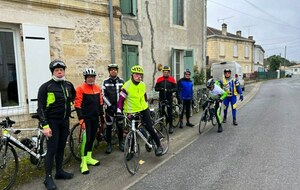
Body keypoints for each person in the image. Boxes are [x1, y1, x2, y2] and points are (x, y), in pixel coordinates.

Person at [37, 60, 76, 190]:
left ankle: (59, 171)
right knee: (52, 150)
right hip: (52, 122)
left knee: (61, 148)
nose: (59, 72)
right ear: (52, 72)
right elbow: (41, 108)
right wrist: (45, 126)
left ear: (64, 71)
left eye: (62, 70)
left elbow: (73, 97)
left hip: (64, 121)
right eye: (56, 70)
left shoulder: (69, 85)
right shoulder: (46, 87)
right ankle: (47, 178)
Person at [117, 65, 163, 156]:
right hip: (132, 112)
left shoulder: (142, 84)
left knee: (149, 128)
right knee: (132, 131)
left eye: (140, 75)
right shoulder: (126, 86)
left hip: (143, 110)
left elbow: (144, 98)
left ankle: (159, 146)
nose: (139, 77)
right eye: (136, 75)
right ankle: (131, 152)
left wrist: (148, 108)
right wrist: (119, 112)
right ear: (132, 75)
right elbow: (120, 101)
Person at [74, 68, 104, 174]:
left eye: (92, 77)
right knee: (86, 139)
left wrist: (102, 116)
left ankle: (89, 157)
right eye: (89, 77)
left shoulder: (97, 88)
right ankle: (83, 162)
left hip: (95, 118)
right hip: (86, 118)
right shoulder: (80, 88)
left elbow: (100, 103)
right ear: (85, 78)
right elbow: (77, 104)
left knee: (92, 138)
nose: (91, 79)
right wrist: (81, 119)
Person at [102, 63, 124, 154]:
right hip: (110, 108)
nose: (113, 71)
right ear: (109, 71)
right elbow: (103, 95)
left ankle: (121, 142)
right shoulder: (105, 82)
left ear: (117, 71)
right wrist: (110, 106)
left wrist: (120, 106)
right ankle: (109, 144)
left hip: (119, 108)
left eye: (115, 69)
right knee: (109, 126)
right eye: (111, 70)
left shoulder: (122, 81)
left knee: (120, 126)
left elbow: (124, 94)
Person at [154, 66, 177, 134]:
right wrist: (160, 88)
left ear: (169, 73)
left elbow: (176, 88)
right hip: (161, 98)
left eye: (167, 72)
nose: (165, 73)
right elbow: (156, 88)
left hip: (169, 98)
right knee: (161, 112)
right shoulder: (159, 79)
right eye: (164, 72)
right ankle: (161, 126)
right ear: (163, 72)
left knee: (170, 113)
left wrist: (171, 90)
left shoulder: (172, 79)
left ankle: (170, 126)